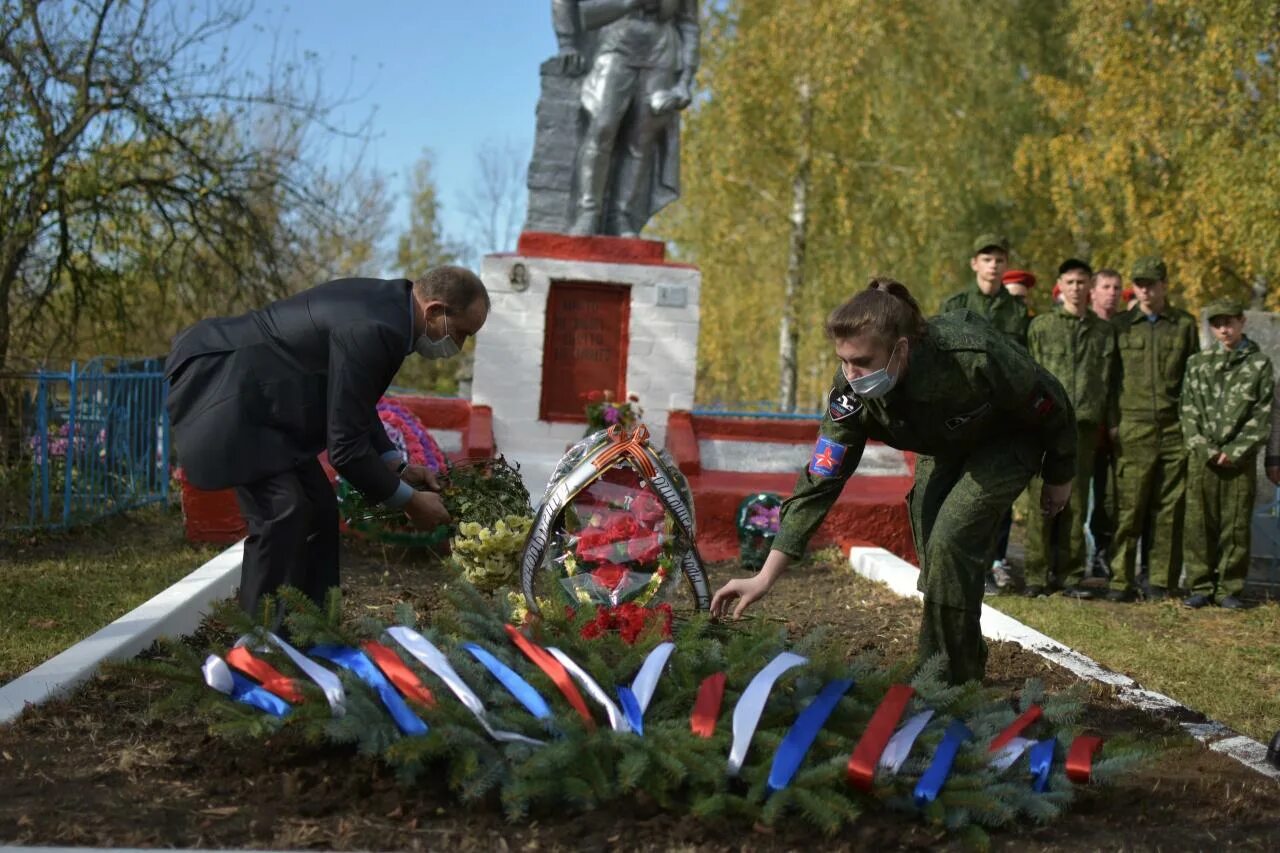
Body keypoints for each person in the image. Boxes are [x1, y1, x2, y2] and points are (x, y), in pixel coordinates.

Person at [711, 279, 1076, 685]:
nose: (851, 374)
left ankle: (945, 682)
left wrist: (1060, 475)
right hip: (945, 446)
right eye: (843, 361)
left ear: (901, 348)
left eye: (862, 362)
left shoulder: (971, 355)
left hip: (1008, 440)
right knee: (936, 557)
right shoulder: (851, 391)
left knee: (951, 539)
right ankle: (961, 659)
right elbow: (822, 478)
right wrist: (764, 576)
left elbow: (1051, 401)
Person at [165, 267, 489, 617]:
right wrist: (409, 502)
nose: (460, 345)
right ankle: (259, 643)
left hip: (268, 407)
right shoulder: (378, 327)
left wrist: (399, 467)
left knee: (319, 509)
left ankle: (313, 630)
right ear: (435, 311)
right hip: (228, 387)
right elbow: (346, 450)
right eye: (461, 333)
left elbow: (357, 404)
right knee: (283, 511)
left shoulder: (393, 313)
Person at [1024, 259, 1119, 598]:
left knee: (1075, 500)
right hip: (1045, 425)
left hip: (1085, 426)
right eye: (1070, 282)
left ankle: (1070, 575)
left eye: (1082, 282)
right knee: (1040, 498)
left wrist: (1111, 422)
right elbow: (1029, 376)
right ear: (1060, 285)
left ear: (1090, 287)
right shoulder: (1042, 327)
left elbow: (1110, 381)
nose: (1076, 288)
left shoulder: (1105, 332)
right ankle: (1035, 574)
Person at [1107, 256, 1199, 602]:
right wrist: (1114, 423)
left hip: (1174, 427)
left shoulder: (1184, 325)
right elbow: (1111, 380)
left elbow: (1193, 379)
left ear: (1164, 285)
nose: (1145, 290)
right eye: (1139, 283)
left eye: (1151, 283)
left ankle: (1161, 580)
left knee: (1168, 508)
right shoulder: (1121, 325)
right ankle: (1121, 579)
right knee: (1129, 507)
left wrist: (1190, 425)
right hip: (1133, 426)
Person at [1180, 300, 1274, 609]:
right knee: (1198, 523)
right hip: (1202, 458)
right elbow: (1188, 410)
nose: (1224, 329)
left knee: (1234, 526)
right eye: (1217, 323)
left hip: (1239, 461)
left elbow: (1262, 415)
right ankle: (1201, 586)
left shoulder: (1259, 364)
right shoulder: (1198, 363)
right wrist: (1207, 449)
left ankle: (1229, 589)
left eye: (1230, 322)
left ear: (1242, 321)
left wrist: (1235, 451)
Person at [1086, 268, 1125, 573]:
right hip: (1085, 427)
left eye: (1116, 288)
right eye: (1106, 287)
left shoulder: (1126, 329)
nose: (1111, 293)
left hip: (1117, 427)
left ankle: (1102, 554)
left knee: (1109, 498)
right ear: (1093, 291)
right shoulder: (1084, 327)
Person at [939, 234, 1031, 347]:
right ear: (974, 264)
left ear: (1007, 265)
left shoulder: (1018, 309)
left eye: (999, 260)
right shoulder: (955, 305)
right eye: (987, 260)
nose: (993, 265)